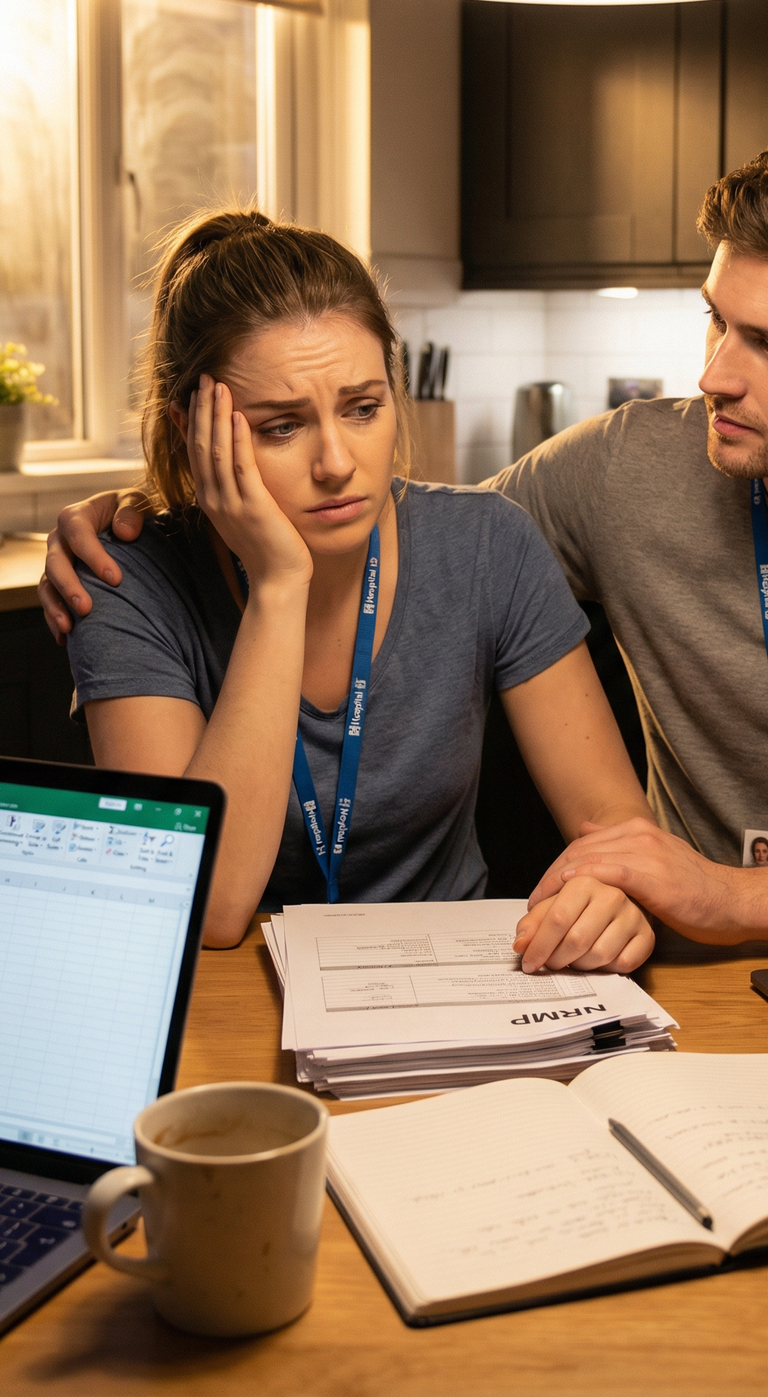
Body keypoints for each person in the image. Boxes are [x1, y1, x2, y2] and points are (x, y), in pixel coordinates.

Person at [41, 134, 768, 961]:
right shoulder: (617, 469)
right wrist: (159, 501)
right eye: (716, 319)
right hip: (684, 963)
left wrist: (726, 895)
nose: (713, 373)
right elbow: (408, 534)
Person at [62, 209, 653, 966]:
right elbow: (207, 908)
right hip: (232, 1000)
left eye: (363, 409)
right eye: (281, 426)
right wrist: (280, 584)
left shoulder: (488, 545)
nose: (337, 463)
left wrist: (608, 895)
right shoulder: (126, 583)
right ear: (192, 431)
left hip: (458, 984)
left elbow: (619, 836)